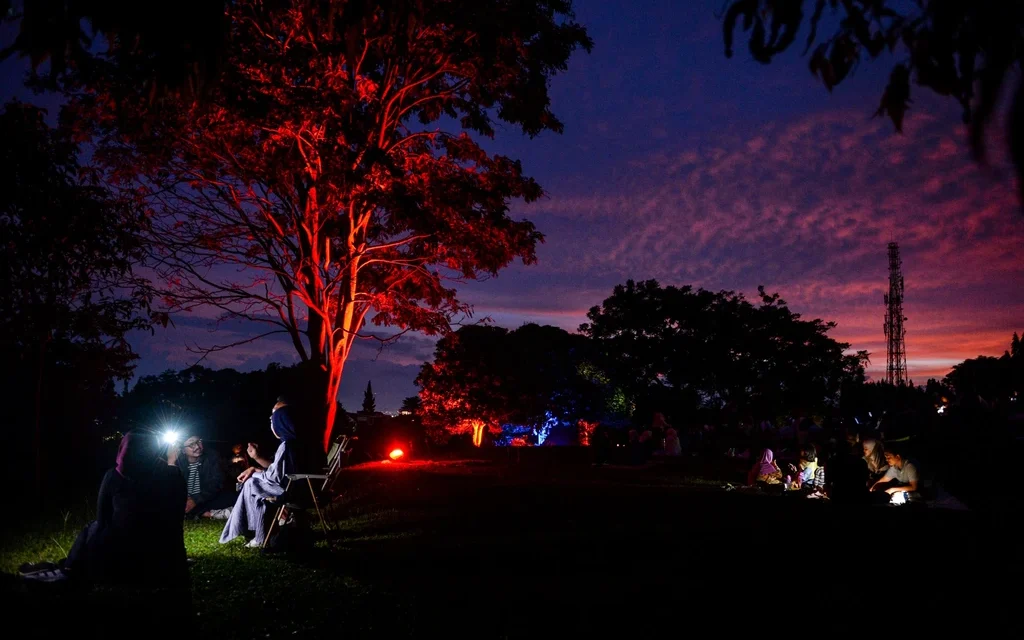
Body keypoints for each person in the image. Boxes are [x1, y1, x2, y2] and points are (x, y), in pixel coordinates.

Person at [22, 431, 187, 587]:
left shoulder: (113, 476)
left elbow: (102, 519)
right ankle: (64, 566)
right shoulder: (173, 475)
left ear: (123, 451)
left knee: (92, 527)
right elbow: (177, 517)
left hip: (124, 556)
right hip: (163, 555)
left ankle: (68, 568)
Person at [220, 398, 301, 548]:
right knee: (252, 482)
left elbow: (275, 477)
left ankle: (257, 534)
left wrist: (255, 473)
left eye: (274, 416)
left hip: (294, 490)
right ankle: (254, 531)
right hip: (301, 486)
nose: (271, 421)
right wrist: (256, 462)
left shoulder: (287, 445)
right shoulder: (298, 441)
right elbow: (282, 470)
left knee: (251, 484)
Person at [168, 434, 234, 519]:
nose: (197, 447)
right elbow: (170, 488)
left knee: (231, 497)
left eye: (199, 441)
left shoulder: (212, 456)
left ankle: (197, 513)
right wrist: (171, 463)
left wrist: (195, 500)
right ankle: (208, 514)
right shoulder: (178, 462)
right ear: (183, 450)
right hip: (184, 500)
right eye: (191, 444)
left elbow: (216, 483)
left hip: (205, 499)